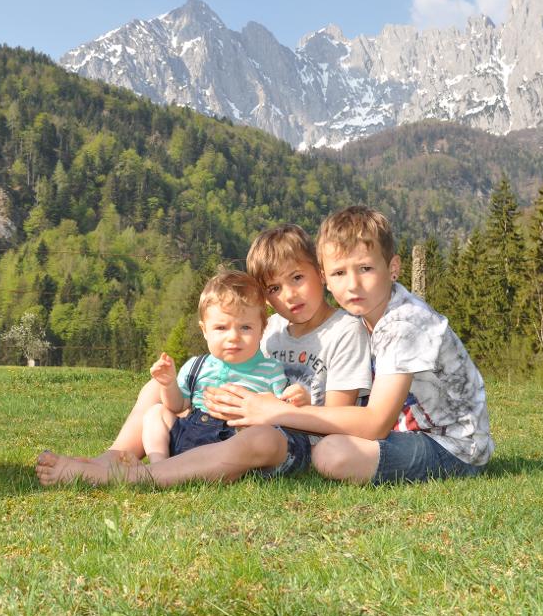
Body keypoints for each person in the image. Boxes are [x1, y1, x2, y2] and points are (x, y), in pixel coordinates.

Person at [35, 225, 372, 486]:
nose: (289, 295)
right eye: (273, 289)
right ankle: (113, 457)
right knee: (157, 391)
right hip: (225, 425)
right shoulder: (271, 329)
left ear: (321, 273)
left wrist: (286, 407)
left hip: (291, 441)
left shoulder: (344, 331)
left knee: (262, 438)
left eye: (298, 278)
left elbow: (336, 419)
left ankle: (141, 477)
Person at [205, 206, 493, 484]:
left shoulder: (405, 324)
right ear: (325, 277)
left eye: (365, 268)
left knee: (333, 453)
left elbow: (375, 424)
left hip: (453, 447)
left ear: (393, 267)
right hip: (406, 432)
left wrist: (277, 412)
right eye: (340, 273)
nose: (353, 284)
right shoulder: (366, 316)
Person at [138, 269, 294, 463]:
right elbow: (177, 406)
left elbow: (284, 414)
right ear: (205, 330)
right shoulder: (196, 366)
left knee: (260, 435)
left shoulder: (270, 370)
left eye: (245, 327)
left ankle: (178, 468)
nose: (233, 337)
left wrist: (294, 400)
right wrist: (168, 384)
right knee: (155, 412)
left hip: (234, 442)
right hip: (189, 435)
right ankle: (159, 463)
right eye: (221, 328)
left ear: (262, 330)